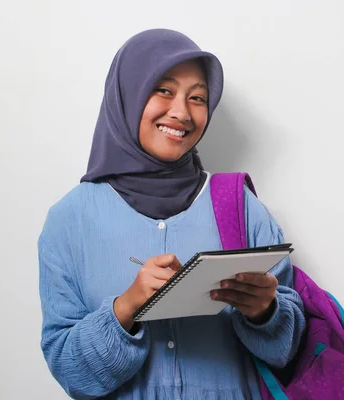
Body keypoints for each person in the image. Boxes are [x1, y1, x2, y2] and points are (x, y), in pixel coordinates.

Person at [38, 29, 306, 400]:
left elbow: (285, 350)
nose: (181, 112)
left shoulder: (239, 206)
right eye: (163, 90)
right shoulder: (70, 220)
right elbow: (70, 372)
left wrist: (265, 312)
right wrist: (126, 307)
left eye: (197, 97)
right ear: (127, 94)